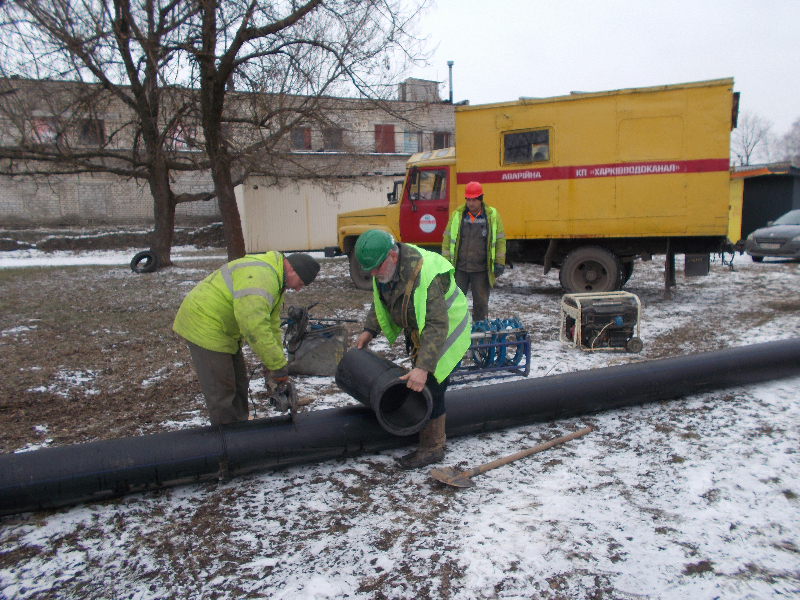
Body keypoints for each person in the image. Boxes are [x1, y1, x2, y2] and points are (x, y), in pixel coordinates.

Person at [353, 229, 472, 469]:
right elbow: (383, 299)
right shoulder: (386, 269)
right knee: (420, 383)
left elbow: (437, 324)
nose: (374, 275)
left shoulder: (426, 274)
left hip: (447, 332)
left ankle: (432, 448)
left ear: (393, 256)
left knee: (431, 387)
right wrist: (370, 330)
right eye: (371, 271)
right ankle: (418, 426)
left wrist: (424, 367)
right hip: (424, 330)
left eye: (377, 269)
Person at [173, 251, 320, 426]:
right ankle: (227, 442)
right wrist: (276, 365)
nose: (297, 289)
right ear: (293, 270)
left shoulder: (276, 279)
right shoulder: (262, 278)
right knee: (221, 391)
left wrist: (275, 363)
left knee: (239, 383)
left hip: (224, 329)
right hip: (204, 323)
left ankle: (241, 429)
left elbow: (271, 325)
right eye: (300, 283)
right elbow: (254, 326)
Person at [441, 181, 506, 322]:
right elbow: (447, 239)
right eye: (468, 199)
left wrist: (500, 262)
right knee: (455, 303)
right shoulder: (457, 215)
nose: (471, 203)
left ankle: (479, 333)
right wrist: (445, 263)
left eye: (474, 199)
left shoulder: (492, 216)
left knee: (481, 304)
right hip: (460, 269)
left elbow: (500, 240)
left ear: (481, 199)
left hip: (481, 270)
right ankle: (457, 332)